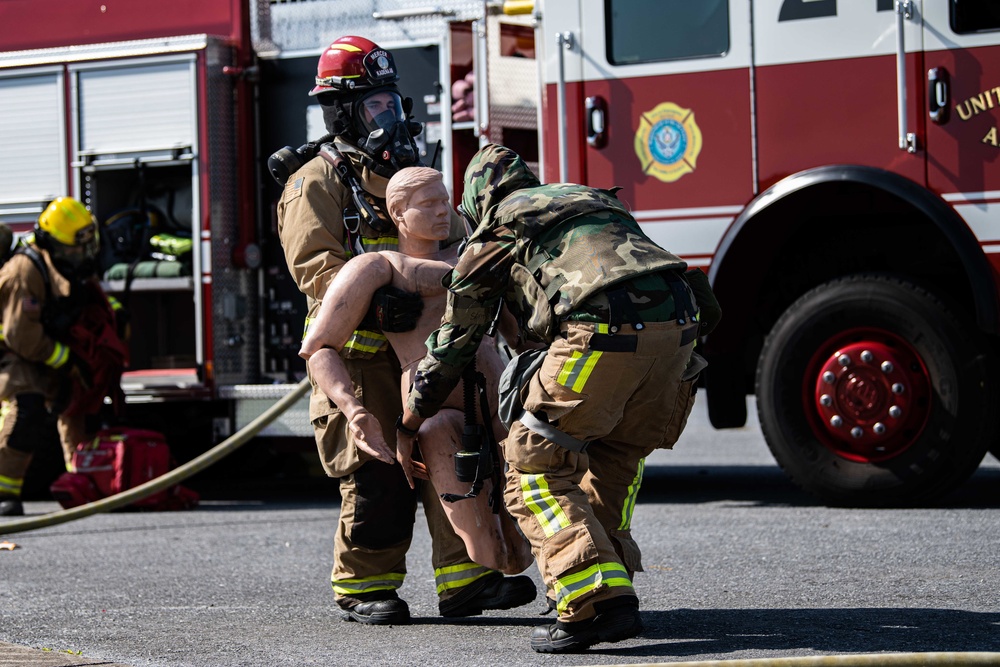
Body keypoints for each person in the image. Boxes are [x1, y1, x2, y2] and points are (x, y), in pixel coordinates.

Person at [397, 144, 719, 652]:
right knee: (614, 454)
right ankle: (611, 582)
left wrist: (411, 418)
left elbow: (457, 340)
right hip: (681, 331)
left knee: (532, 467)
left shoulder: (500, 226)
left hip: (602, 332)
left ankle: (592, 603)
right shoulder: (590, 199)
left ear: (477, 201)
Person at [275, 37, 536, 625]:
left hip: (422, 353)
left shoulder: (406, 176)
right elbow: (316, 274)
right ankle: (364, 584)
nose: (389, 120)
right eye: (373, 108)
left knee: (458, 452)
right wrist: (379, 298)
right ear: (342, 113)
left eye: (392, 105)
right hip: (361, 360)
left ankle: (466, 579)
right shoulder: (315, 183)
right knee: (379, 475)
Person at [300, 166, 534, 576]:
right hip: (435, 413)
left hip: (500, 401)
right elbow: (318, 347)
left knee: (534, 517)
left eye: (445, 200)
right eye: (429, 204)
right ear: (398, 212)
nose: (443, 211)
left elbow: (522, 336)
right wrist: (353, 409)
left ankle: (570, 592)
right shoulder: (378, 268)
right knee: (486, 544)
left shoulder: (475, 254)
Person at [0, 197, 128, 517]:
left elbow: (88, 302)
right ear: (51, 243)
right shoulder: (25, 271)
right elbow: (21, 336)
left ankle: (85, 482)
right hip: (13, 352)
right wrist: (66, 361)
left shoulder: (72, 263)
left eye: (87, 247)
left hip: (48, 346)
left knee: (79, 405)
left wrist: (110, 324)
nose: (82, 256)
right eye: (73, 250)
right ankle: (4, 493)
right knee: (26, 409)